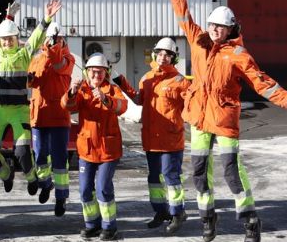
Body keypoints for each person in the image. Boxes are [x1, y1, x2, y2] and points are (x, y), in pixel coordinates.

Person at [169, 0, 287, 242]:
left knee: (231, 170)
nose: (215, 29)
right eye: (213, 25)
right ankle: (208, 219)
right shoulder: (199, 41)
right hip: (198, 118)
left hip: (224, 117)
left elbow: (260, 81)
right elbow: (184, 18)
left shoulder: (239, 54)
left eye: (221, 26)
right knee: (199, 170)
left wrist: (286, 99)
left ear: (230, 29)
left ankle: (250, 220)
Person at [0, 0, 62, 195]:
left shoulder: (24, 54)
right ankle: (6, 174)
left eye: (10, 39)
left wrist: (46, 19)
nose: (6, 42)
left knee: (21, 152)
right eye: (3, 40)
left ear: (15, 39)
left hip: (19, 110)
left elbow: (36, 37)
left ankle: (31, 179)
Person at [123, 37, 191, 235]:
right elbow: (138, 99)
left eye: (167, 55)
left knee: (171, 177)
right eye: (160, 53)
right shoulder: (147, 78)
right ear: (155, 55)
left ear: (173, 58)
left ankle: (178, 213)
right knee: (154, 178)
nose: (163, 57)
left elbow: (191, 106)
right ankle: (161, 212)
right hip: (151, 140)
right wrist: (121, 83)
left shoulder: (180, 82)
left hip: (171, 141)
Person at [66, 53, 128, 241]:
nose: (96, 76)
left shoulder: (112, 89)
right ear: (87, 72)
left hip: (108, 150)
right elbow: (68, 107)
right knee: (85, 189)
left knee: (102, 187)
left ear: (106, 73)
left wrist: (105, 99)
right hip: (87, 149)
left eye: (100, 72)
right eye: (93, 72)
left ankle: (109, 227)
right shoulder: (82, 89)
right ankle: (91, 224)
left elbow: (122, 107)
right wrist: (71, 92)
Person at [27, 22, 75, 216]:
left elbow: (57, 64)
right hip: (39, 114)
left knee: (59, 159)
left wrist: (52, 46)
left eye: (58, 38)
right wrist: (28, 78)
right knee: (39, 156)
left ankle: (61, 198)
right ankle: (46, 184)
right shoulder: (37, 58)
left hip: (58, 116)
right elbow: (32, 80)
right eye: (50, 38)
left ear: (63, 40)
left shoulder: (68, 58)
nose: (54, 41)